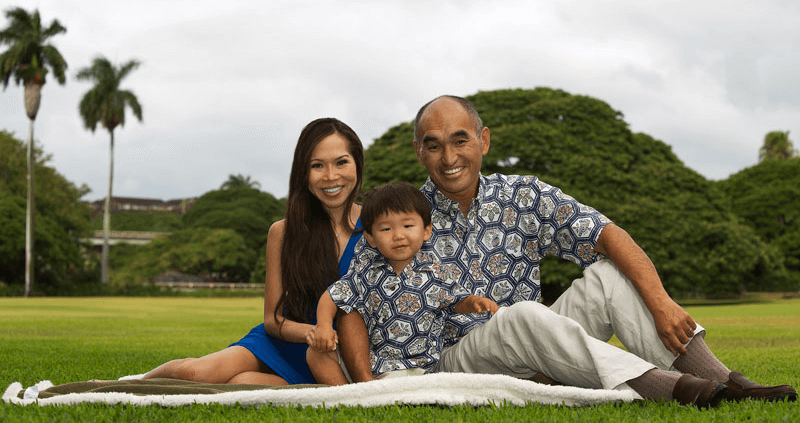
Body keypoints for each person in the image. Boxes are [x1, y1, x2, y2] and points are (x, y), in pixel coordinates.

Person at [336, 95, 797, 405]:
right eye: (434, 146)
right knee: (517, 315)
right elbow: (352, 301)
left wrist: (660, 302)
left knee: (609, 276)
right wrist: (363, 382)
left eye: (461, 139)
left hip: (544, 353)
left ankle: (732, 382)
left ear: (484, 140)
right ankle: (682, 391)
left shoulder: (523, 195)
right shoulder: (399, 219)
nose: (449, 157)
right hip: (461, 360)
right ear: (420, 152)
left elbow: (608, 234)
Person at [142, 117, 365, 385]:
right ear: (303, 175)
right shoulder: (283, 232)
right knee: (195, 374)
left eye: (341, 162)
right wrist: (316, 332)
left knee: (241, 385)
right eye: (317, 165)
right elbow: (274, 320)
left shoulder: (379, 229)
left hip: (338, 357)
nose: (330, 176)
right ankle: (126, 385)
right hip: (285, 342)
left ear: (357, 164)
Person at [305, 182, 499, 385]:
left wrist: (474, 302)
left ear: (426, 231)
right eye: (386, 228)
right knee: (315, 354)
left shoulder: (435, 272)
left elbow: (456, 300)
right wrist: (324, 326)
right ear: (371, 237)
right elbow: (332, 296)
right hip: (372, 367)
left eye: (407, 226)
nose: (398, 235)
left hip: (420, 369)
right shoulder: (366, 272)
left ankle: (377, 394)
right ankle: (351, 396)